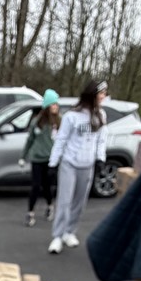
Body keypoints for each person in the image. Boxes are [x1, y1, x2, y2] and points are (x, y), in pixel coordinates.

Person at [46, 80, 108, 254]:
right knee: (65, 201)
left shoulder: (101, 116)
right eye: (101, 93)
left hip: (86, 165)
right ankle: (57, 236)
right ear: (92, 94)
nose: (103, 97)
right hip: (69, 164)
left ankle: (69, 232)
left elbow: (101, 140)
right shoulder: (71, 116)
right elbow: (61, 140)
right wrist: (53, 163)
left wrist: (100, 160)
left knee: (79, 203)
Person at [20, 89, 61, 227]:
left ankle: (50, 206)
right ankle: (30, 213)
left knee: (47, 187)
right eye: (53, 104)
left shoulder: (59, 121)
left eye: (57, 104)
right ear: (47, 106)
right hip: (37, 158)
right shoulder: (37, 122)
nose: (56, 106)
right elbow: (30, 140)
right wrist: (23, 156)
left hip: (51, 160)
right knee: (35, 186)